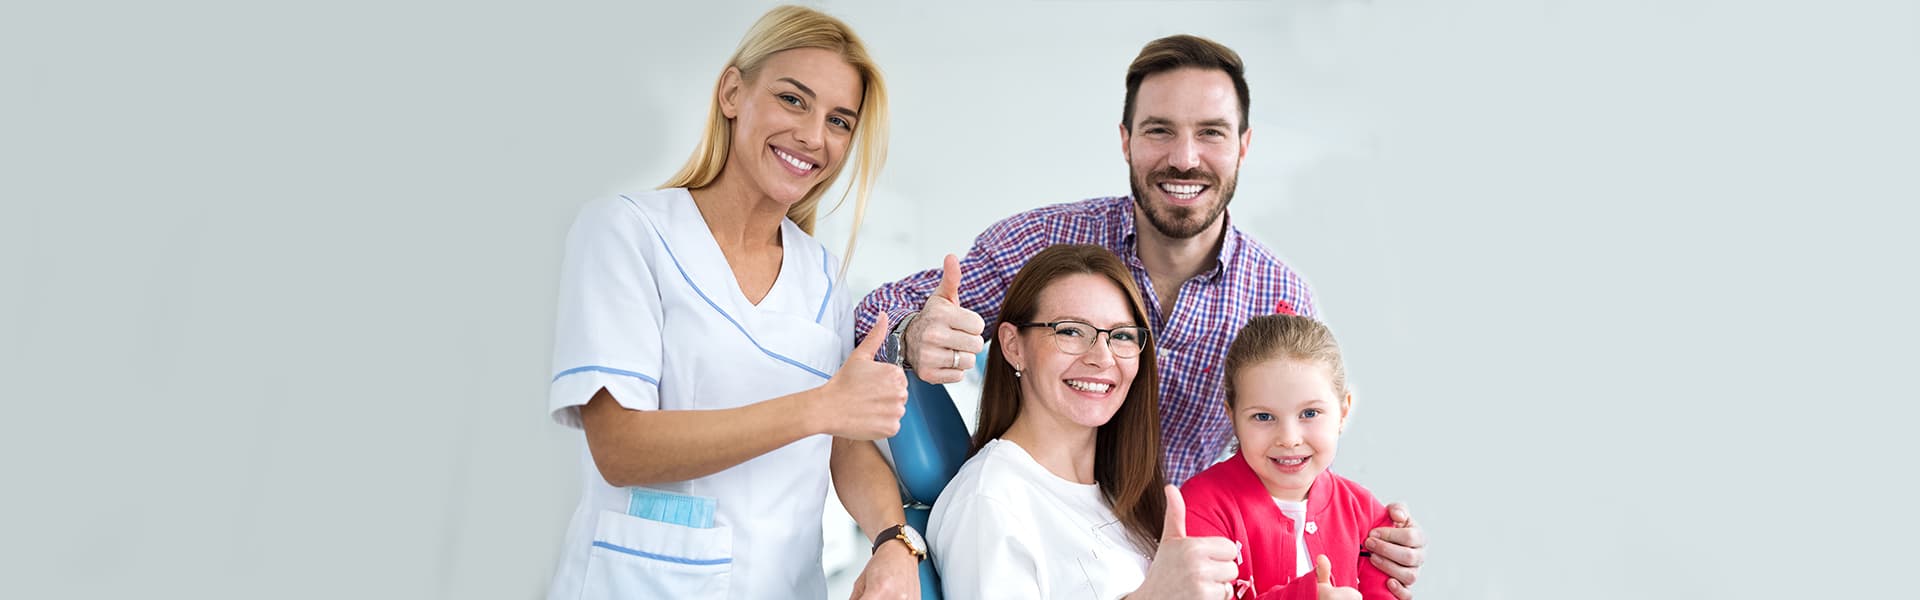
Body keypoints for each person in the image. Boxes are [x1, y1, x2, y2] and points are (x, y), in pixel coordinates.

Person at [857, 34, 1426, 595]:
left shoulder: (1280, 295)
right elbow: (870, 318)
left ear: (1243, 146)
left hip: (1171, 554)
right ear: (1126, 140)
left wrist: (1368, 539)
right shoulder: (1045, 243)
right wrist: (911, 336)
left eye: (1211, 132)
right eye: (1160, 131)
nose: (1184, 157)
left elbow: (1297, 459)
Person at [543, 6, 918, 599]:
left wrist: (894, 541)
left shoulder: (822, 276)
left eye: (840, 121)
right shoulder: (628, 233)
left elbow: (846, 444)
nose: (814, 137)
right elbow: (620, 447)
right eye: (794, 100)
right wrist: (820, 407)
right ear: (732, 92)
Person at [927, 244, 1242, 599]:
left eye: (1122, 335)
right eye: (1072, 331)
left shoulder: (1121, 495)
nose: (1102, 358)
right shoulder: (990, 501)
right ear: (1014, 346)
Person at [1180, 315, 1397, 599]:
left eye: (1309, 413)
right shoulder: (1202, 505)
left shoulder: (1368, 514)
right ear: (1232, 417)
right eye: (1263, 416)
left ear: (1343, 412)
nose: (1289, 438)